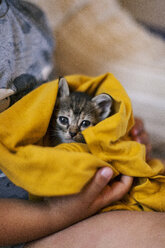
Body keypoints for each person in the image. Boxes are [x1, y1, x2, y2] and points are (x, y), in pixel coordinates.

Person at [0, 1, 164, 248]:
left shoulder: (28, 14)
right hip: (25, 222)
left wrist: (116, 134)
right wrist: (54, 214)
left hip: (66, 184)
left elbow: (47, 98)